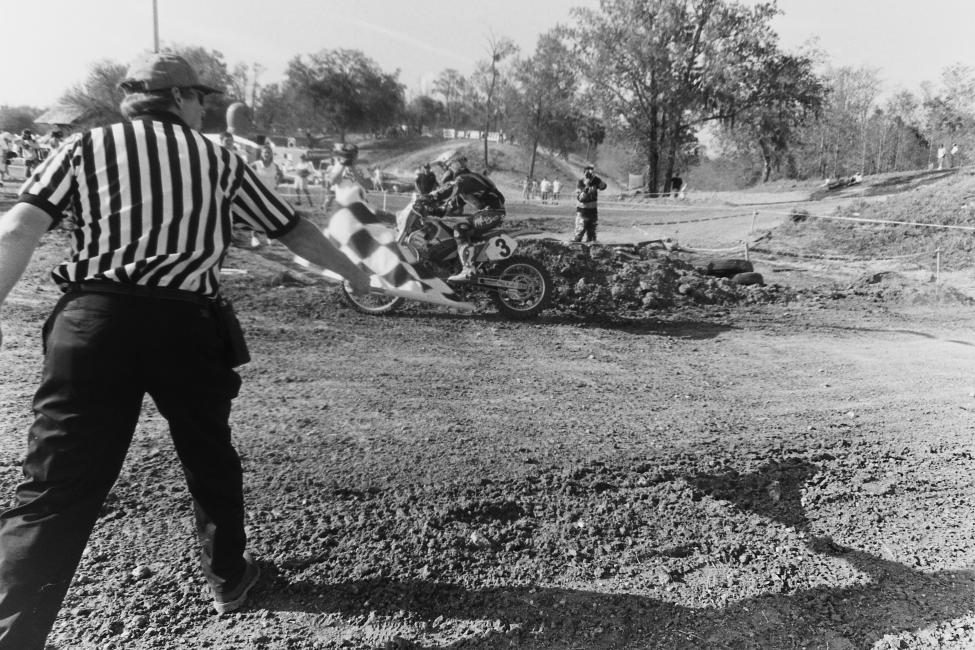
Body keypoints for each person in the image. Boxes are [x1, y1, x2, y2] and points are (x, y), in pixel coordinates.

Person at [0, 51, 371, 649]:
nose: (208, 107)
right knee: (208, 456)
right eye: (203, 97)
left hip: (94, 323)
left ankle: (12, 633)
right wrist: (356, 276)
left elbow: (18, 228)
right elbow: (293, 230)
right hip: (185, 325)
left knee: (56, 485)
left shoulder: (84, 148)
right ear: (181, 98)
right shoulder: (218, 159)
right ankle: (229, 577)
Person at [426, 154, 505, 282]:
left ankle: (469, 269)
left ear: (455, 164)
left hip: (493, 212)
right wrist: (434, 211)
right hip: (489, 212)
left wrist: (432, 196)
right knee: (450, 228)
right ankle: (461, 263)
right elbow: (452, 205)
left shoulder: (465, 179)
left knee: (460, 229)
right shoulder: (464, 183)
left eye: (446, 167)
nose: (445, 172)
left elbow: (451, 189)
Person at [573, 164, 608, 243]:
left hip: (593, 210)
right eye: (588, 172)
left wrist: (597, 180)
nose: (590, 174)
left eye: (592, 172)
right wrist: (587, 185)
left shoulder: (596, 180)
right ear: (584, 173)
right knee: (579, 232)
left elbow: (604, 187)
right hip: (582, 210)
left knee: (592, 235)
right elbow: (580, 198)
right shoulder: (581, 182)